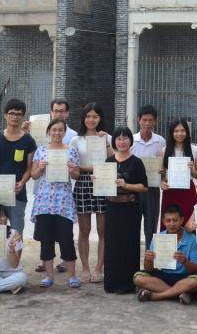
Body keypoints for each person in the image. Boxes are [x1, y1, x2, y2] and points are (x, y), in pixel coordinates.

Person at [30, 118, 82, 288]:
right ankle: (48, 276)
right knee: (46, 240)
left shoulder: (71, 151)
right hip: (44, 201)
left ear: (64, 132)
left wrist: (72, 169)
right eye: (54, 130)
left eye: (61, 130)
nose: (57, 133)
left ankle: (72, 276)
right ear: (49, 132)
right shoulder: (41, 151)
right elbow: (34, 175)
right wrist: (40, 167)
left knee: (66, 238)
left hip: (64, 201)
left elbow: (76, 176)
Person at [103, 126, 149, 294]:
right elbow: (103, 188)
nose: (122, 141)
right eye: (118, 138)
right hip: (112, 209)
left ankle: (128, 284)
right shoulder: (108, 161)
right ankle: (111, 283)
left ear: (131, 141)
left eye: (125, 138)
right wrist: (98, 180)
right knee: (112, 245)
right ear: (114, 141)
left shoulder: (136, 162)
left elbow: (144, 187)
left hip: (130, 209)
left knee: (129, 245)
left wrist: (126, 185)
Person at [71, 102, 112, 283]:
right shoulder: (76, 140)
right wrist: (81, 168)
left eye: (95, 116)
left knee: (103, 230)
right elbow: (73, 168)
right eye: (88, 116)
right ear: (83, 118)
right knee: (84, 229)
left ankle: (99, 268)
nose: (91, 120)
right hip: (83, 183)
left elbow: (114, 161)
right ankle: (86, 267)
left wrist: (107, 142)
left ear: (100, 118)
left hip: (103, 181)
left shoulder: (106, 137)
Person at [0, 98, 36, 234]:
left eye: (18, 114)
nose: (15, 116)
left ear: (23, 116)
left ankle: (15, 255)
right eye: (12, 113)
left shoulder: (28, 141)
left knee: (16, 231)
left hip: (17, 193)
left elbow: (29, 168)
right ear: (5, 115)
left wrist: (22, 182)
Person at [135, 204, 197, 303]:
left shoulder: (192, 239)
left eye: (175, 220)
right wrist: (148, 259)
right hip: (163, 276)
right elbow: (149, 268)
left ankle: (156, 296)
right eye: (168, 220)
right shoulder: (158, 238)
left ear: (182, 220)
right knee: (138, 278)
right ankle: (179, 293)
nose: (172, 224)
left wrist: (185, 261)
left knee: (194, 281)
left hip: (183, 276)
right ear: (163, 222)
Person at [132, 105, 166, 244]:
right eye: (144, 120)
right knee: (133, 224)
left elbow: (164, 165)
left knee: (151, 225)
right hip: (134, 188)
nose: (147, 123)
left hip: (152, 188)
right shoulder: (131, 140)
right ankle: (132, 260)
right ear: (138, 120)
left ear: (155, 122)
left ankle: (149, 260)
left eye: (150, 120)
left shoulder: (160, 141)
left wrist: (163, 172)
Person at [160, 119, 197, 222]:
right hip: (170, 191)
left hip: (188, 191)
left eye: (182, 130)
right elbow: (162, 174)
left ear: (187, 132)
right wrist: (162, 182)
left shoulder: (195, 150)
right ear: (171, 133)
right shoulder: (164, 150)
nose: (179, 134)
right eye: (176, 131)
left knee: (188, 221)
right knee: (170, 222)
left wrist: (191, 170)